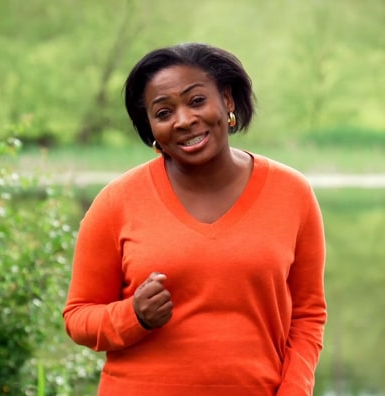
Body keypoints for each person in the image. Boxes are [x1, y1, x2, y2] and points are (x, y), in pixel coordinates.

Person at [63, 42, 327, 396]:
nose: (184, 120)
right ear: (151, 128)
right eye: (163, 112)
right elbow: (78, 317)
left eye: (197, 100)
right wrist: (133, 317)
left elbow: (307, 316)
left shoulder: (292, 192)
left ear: (228, 100)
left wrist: (294, 390)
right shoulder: (117, 202)